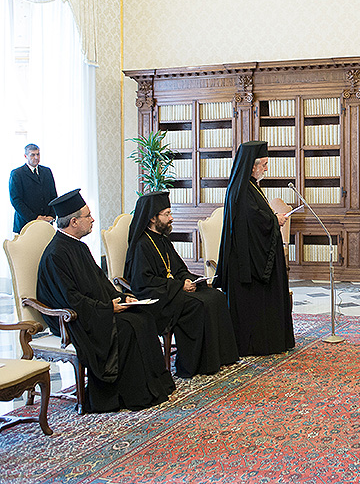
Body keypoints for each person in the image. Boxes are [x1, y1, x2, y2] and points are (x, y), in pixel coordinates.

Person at [36, 189, 175, 413]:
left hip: (95, 310)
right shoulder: (56, 255)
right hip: (74, 318)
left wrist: (120, 297)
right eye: (88, 216)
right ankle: (128, 395)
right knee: (129, 327)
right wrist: (107, 308)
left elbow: (100, 282)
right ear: (73, 221)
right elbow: (71, 299)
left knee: (143, 316)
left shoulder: (78, 245)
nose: (92, 219)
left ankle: (154, 386)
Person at [124, 191, 238, 378]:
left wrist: (188, 280)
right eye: (167, 214)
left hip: (171, 290)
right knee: (199, 305)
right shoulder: (141, 245)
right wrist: (179, 286)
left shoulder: (162, 239)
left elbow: (178, 269)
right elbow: (143, 282)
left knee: (216, 296)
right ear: (153, 217)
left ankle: (222, 357)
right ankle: (197, 364)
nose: (171, 218)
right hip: (156, 297)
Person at [214, 141, 295, 356]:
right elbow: (251, 221)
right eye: (264, 164)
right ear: (252, 165)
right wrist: (273, 220)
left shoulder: (250, 186)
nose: (266, 169)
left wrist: (271, 219)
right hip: (247, 261)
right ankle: (256, 344)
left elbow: (257, 216)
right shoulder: (240, 189)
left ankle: (271, 340)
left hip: (255, 254)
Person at [9, 143, 57, 233]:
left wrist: (51, 216)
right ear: (25, 156)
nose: (36, 157)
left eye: (38, 154)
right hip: (25, 223)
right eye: (32, 155)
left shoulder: (47, 171)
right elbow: (16, 200)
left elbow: (53, 195)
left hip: (47, 222)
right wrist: (35, 218)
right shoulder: (17, 174)